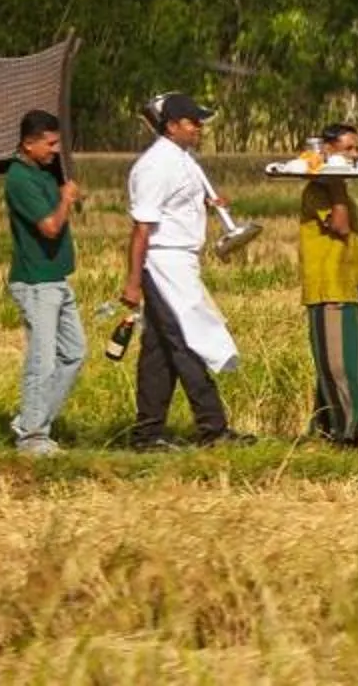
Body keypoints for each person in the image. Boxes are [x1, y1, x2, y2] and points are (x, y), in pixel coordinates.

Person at [121, 92, 250, 450]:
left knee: (159, 352)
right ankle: (214, 429)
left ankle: (147, 434)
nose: (199, 128)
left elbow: (176, 206)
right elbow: (141, 229)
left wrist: (207, 205)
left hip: (181, 262)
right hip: (163, 265)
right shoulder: (155, 166)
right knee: (187, 344)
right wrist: (133, 283)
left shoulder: (182, 159)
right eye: (193, 122)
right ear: (173, 125)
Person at [297, 124, 358, 447]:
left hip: (349, 290)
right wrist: (336, 182)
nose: (355, 156)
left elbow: (351, 248)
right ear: (327, 150)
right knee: (342, 367)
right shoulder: (318, 193)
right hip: (328, 292)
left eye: (357, 150)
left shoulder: (342, 196)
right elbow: (339, 227)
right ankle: (344, 434)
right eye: (348, 150)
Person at [2, 109, 85, 457]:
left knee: (75, 353)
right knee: (43, 360)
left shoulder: (44, 174)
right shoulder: (19, 180)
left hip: (55, 279)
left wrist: (68, 196)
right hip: (36, 282)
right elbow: (49, 227)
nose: (55, 150)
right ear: (28, 144)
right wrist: (65, 200)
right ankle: (33, 437)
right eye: (49, 144)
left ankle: (31, 420)